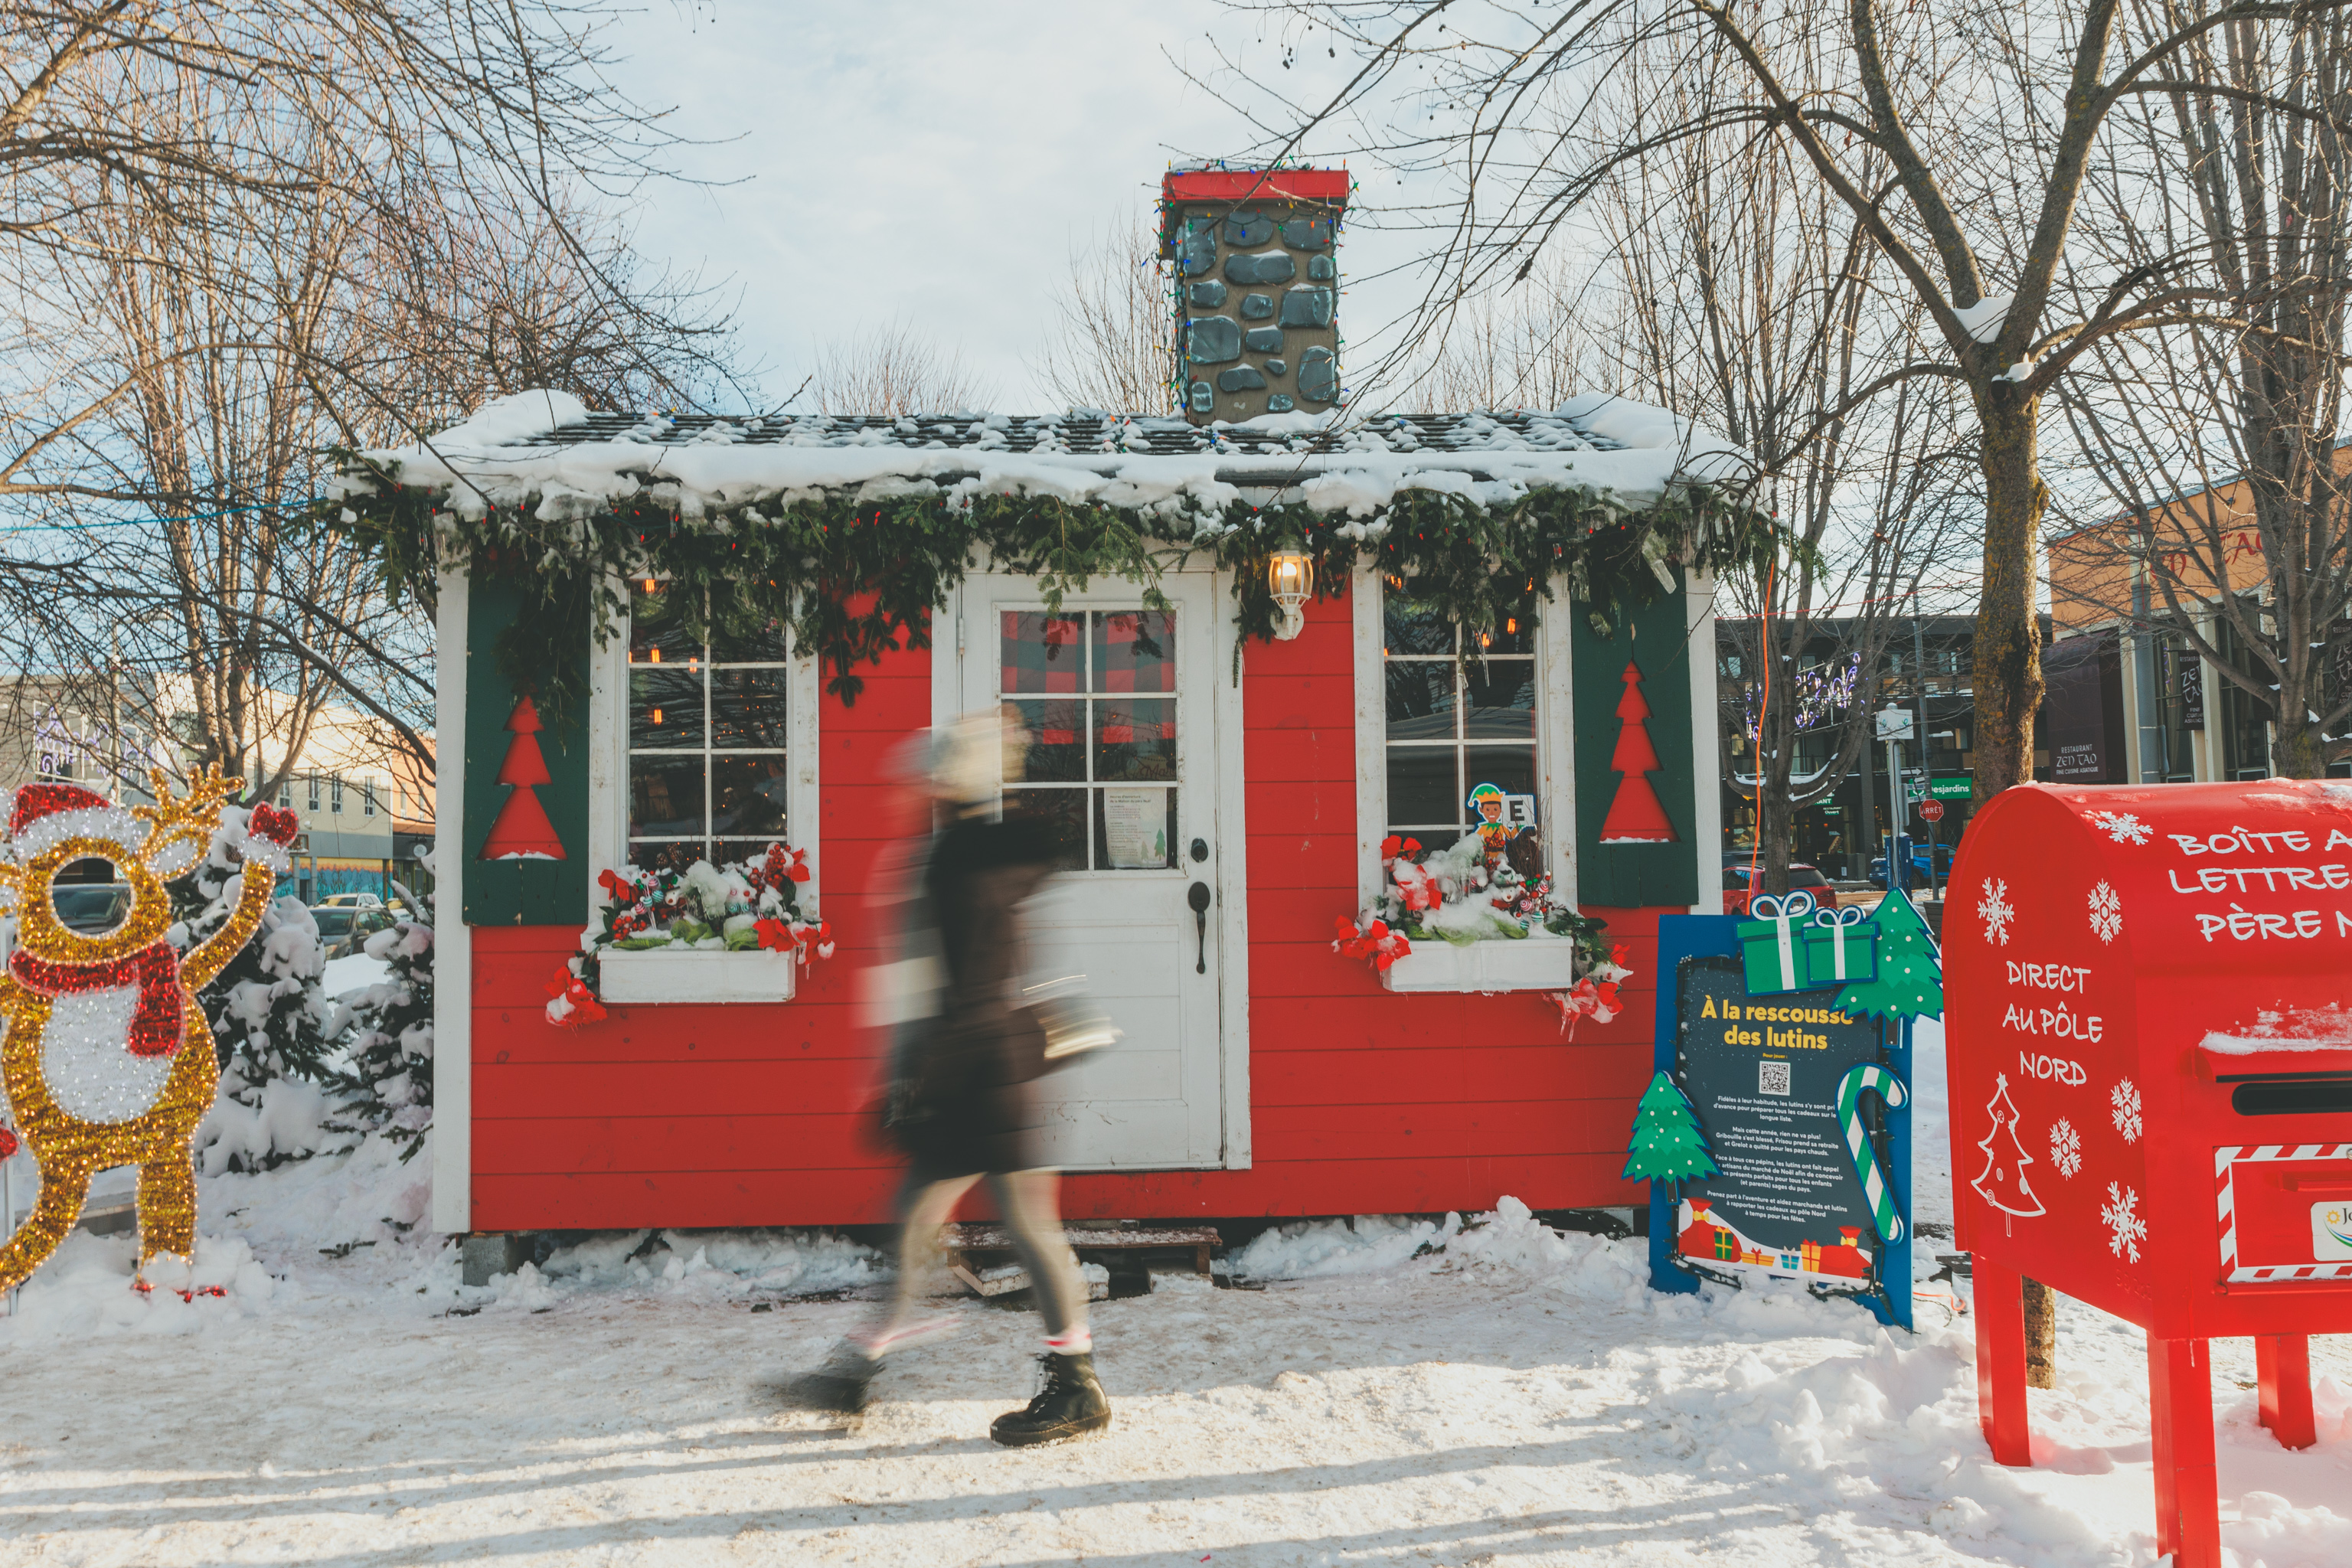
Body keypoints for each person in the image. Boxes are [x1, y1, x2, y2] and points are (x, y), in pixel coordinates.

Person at [796, 711, 1111, 1446]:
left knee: (971, 1225)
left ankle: (1075, 1389)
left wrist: (915, 1085)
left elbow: (956, 990)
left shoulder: (953, 864)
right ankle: (857, 1370)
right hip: (996, 1067)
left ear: (951, 782)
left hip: (970, 1076)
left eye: (934, 772)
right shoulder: (990, 853)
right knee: (960, 1224)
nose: (921, 784)